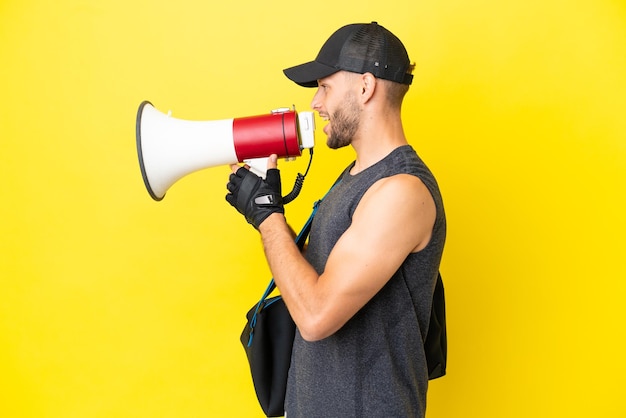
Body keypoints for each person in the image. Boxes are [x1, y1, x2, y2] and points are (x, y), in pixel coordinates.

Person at [226, 22, 446, 418]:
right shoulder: (354, 178)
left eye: (325, 86)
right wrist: (262, 208)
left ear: (365, 87)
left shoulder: (402, 191)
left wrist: (267, 216)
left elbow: (314, 316)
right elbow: (317, 275)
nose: (315, 102)